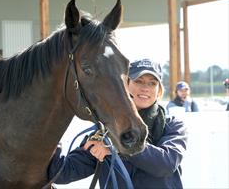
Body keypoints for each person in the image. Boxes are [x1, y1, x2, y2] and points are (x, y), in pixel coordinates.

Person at [47, 59, 187, 189]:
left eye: (152, 83)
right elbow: (62, 173)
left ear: (159, 91)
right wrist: (50, 130)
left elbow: (166, 164)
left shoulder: (173, 125)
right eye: (138, 81)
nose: (145, 88)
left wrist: (117, 147)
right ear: (125, 85)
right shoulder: (103, 133)